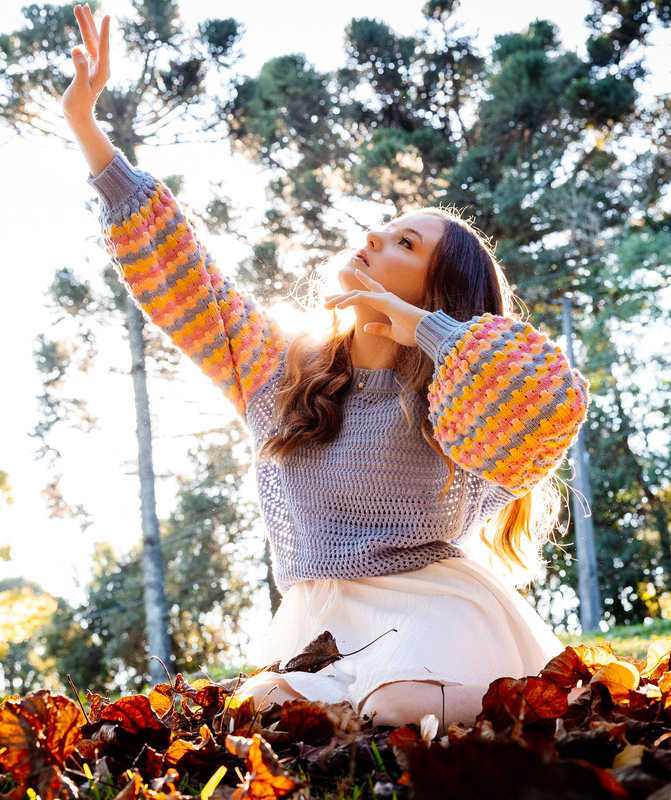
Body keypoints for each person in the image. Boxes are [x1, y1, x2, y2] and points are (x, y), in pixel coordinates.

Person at [62, 4, 589, 728]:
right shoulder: (280, 369)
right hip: (318, 625)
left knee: (398, 707)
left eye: (406, 243)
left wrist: (422, 328)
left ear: (439, 292)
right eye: (389, 224)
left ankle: (535, 701)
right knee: (269, 710)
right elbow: (186, 275)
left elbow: (549, 401)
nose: (374, 234)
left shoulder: (465, 393)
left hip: (436, 615)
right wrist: (89, 130)